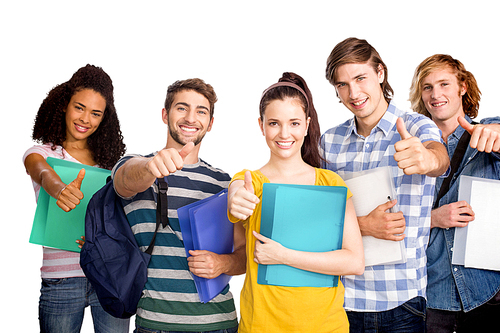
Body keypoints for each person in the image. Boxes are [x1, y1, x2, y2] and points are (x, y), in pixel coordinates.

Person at [320, 38, 450, 332]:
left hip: (402, 301)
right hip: (344, 300)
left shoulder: (415, 126)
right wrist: (363, 226)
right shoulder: (329, 141)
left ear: (380, 73)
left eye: (360, 78)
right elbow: (320, 215)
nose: (353, 93)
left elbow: (438, 157)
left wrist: (428, 159)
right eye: (342, 85)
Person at [228, 72, 365, 333]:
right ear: (261, 125)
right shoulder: (251, 182)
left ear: (306, 124)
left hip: (325, 325)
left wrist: (283, 256)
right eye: (274, 123)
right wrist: (237, 199)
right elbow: (237, 194)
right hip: (262, 326)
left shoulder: (332, 184)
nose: (284, 133)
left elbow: (354, 262)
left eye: (293, 123)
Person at [112, 78, 244, 333]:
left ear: (210, 123)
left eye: (201, 111)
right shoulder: (135, 164)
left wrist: (222, 264)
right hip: (155, 324)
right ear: (165, 114)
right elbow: (125, 180)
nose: (191, 118)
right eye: (182, 108)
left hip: (218, 324)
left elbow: (243, 255)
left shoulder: (225, 183)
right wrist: (151, 166)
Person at [23, 64, 129, 332]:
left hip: (109, 276)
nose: (85, 119)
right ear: (64, 105)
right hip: (62, 281)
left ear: (104, 118)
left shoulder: (112, 164)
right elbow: (42, 172)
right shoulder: (43, 153)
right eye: (79, 107)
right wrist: (58, 188)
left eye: (96, 113)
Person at [409, 54, 500, 332]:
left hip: (488, 290)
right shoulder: (411, 150)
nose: (436, 94)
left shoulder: (487, 131)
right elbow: (393, 222)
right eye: (427, 87)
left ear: (462, 87)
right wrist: (433, 218)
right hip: (431, 296)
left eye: (444, 84)